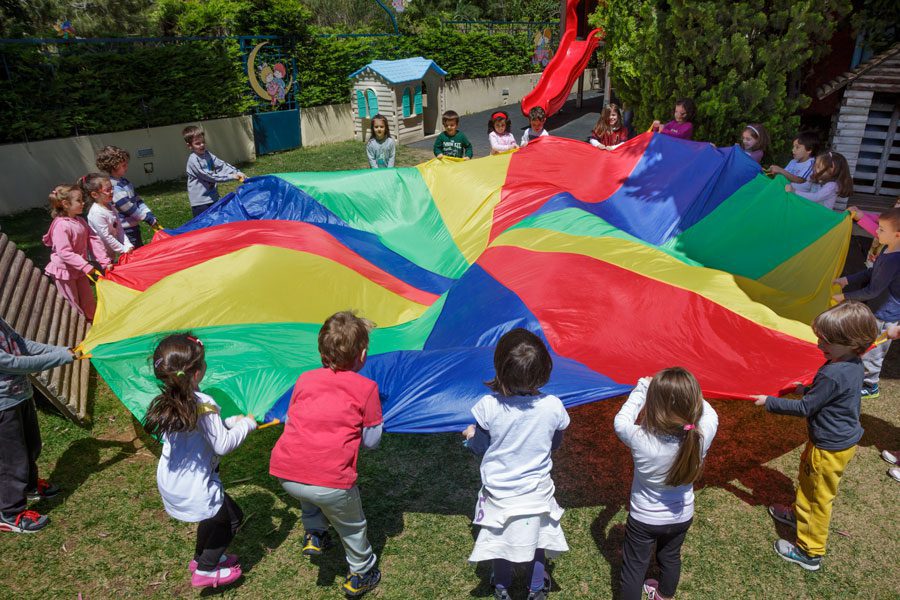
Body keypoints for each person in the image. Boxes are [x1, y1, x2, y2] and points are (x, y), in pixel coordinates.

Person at [753, 301, 878, 571]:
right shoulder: (851, 363)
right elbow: (826, 394)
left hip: (830, 447)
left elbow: (806, 408)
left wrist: (769, 402)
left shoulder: (834, 372)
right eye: (821, 337)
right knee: (808, 482)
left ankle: (810, 552)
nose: (820, 344)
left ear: (853, 344)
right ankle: (799, 515)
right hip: (833, 441)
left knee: (818, 498)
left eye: (828, 341)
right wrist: (803, 387)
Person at [270, 311, 383, 598]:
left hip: (286, 473)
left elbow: (295, 414)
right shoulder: (367, 389)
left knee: (308, 492)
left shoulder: (305, 379)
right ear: (363, 354)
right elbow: (371, 441)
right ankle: (361, 572)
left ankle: (314, 533)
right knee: (352, 526)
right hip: (333, 483)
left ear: (321, 351)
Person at [462, 328, 569, 600]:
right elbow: (555, 443)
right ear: (545, 369)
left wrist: (470, 436)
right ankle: (536, 588)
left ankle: (501, 585)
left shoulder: (488, 406)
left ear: (499, 367)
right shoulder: (553, 406)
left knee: (500, 542)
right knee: (537, 542)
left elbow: (480, 447)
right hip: (536, 493)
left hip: (499, 494)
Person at [143, 333, 256, 589]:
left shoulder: (170, 400)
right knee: (231, 520)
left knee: (214, 518)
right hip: (195, 486)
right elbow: (222, 444)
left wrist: (228, 423)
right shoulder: (202, 403)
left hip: (173, 481)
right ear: (196, 373)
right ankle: (205, 569)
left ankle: (201, 559)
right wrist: (247, 425)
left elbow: (199, 433)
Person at [614, 368, 718, 600]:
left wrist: (642, 388)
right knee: (671, 557)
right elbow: (710, 415)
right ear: (694, 405)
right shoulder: (700, 436)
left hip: (644, 520)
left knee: (634, 570)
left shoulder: (640, 438)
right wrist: (692, 394)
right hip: (681, 516)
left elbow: (621, 421)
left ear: (654, 405)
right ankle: (664, 595)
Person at [0, 317, 77, 533]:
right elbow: (12, 363)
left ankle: (30, 485)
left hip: (20, 395)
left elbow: (21, 343)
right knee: (11, 460)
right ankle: (10, 514)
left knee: (31, 445)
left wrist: (61, 350)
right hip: (3, 406)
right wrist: (61, 357)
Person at [832, 207, 900, 398]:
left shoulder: (895, 260)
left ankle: (870, 385)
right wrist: (847, 280)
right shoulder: (888, 249)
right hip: (877, 308)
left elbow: (873, 290)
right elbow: (872, 272)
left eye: (881, 230)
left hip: (886, 314)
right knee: (866, 342)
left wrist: (845, 297)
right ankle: (860, 375)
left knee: (875, 351)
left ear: (897, 234)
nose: (876, 232)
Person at [42, 184, 110, 321]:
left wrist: (104, 261)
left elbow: (92, 239)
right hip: (65, 271)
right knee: (71, 302)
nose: (83, 203)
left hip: (79, 268)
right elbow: (64, 252)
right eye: (79, 200)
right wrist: (85, 266)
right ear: (66, 204)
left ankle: (94, 321)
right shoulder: (61, 225)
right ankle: (78, 328)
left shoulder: (80, 221)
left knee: (88, 298)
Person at [95, 145, 161, 248]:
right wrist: (147, 218)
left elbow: (137, 200)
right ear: (113, 167)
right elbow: (128, 208)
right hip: (125, 230)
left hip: (133, 225)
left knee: (138, 248)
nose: (127, 167)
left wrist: (148, 212)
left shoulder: (124, 182)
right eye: (124, 165)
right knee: (133, 251)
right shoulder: (113, 186)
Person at [183, 125, 245, 217]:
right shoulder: (194, 160)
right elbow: (209, 176)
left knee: (216, 224)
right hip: (200, 203)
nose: (202, 145)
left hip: (213, 198)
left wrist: (236, 172)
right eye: (197, 143)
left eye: (203, 142)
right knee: (204, 228)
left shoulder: (207, 154)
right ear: (189, 146)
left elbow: (222, 165)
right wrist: (231, 176)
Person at [81, 173, 133, 263]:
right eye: (108, 190)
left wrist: (127, 244)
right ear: (95, 194)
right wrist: (123, 249)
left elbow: (119, 228)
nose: (112, 191)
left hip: (109, 254)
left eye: (111, 188)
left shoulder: (110, 206)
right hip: (98, 258)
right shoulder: (96, 213)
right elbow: (106, 236)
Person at [786, 151, 853, 211]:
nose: (814, 169)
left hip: (822, 217)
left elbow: (816, 197)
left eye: (818, 167)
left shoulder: (832, 186)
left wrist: (794, 191)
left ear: (831, 170)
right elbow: (806, 189)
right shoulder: (819, 180)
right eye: (815, 166)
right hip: (814, 212)